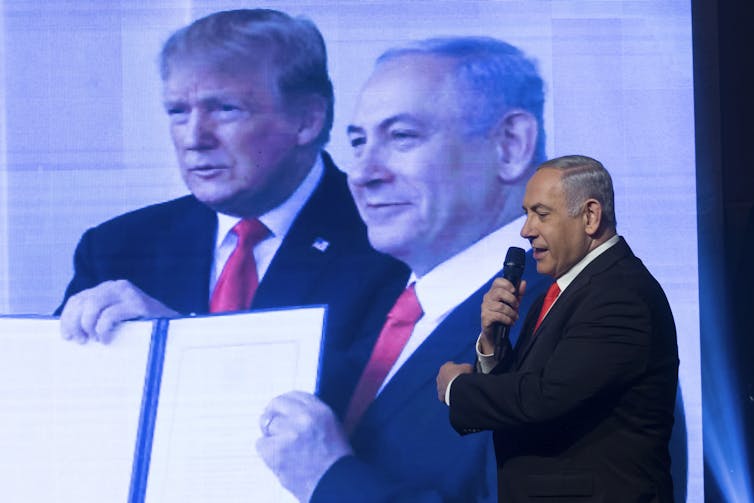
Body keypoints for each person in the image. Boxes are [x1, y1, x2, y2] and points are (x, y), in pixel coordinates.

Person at [256, 37, 551, 502]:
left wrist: (329, 481)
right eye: (358, 143)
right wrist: (162, 333)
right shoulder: (381, 306)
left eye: (401, 137)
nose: (362, 173)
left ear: (510, 145)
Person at [55, 9, 406, 346]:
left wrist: (176, 341)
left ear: (307, 120)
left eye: (225, 109)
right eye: (178, 112)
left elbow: (360, 400)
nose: (194, 138)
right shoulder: (117, 250)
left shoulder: (389, 242)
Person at [437, 155, 679, 502]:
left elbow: (543, 398)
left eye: (542, 213)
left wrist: (456, 388)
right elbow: (523, 392)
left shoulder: (620, 295)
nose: (526, 229)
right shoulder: (558, 293)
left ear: (590, 216)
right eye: (526, 213)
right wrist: (492, 344)